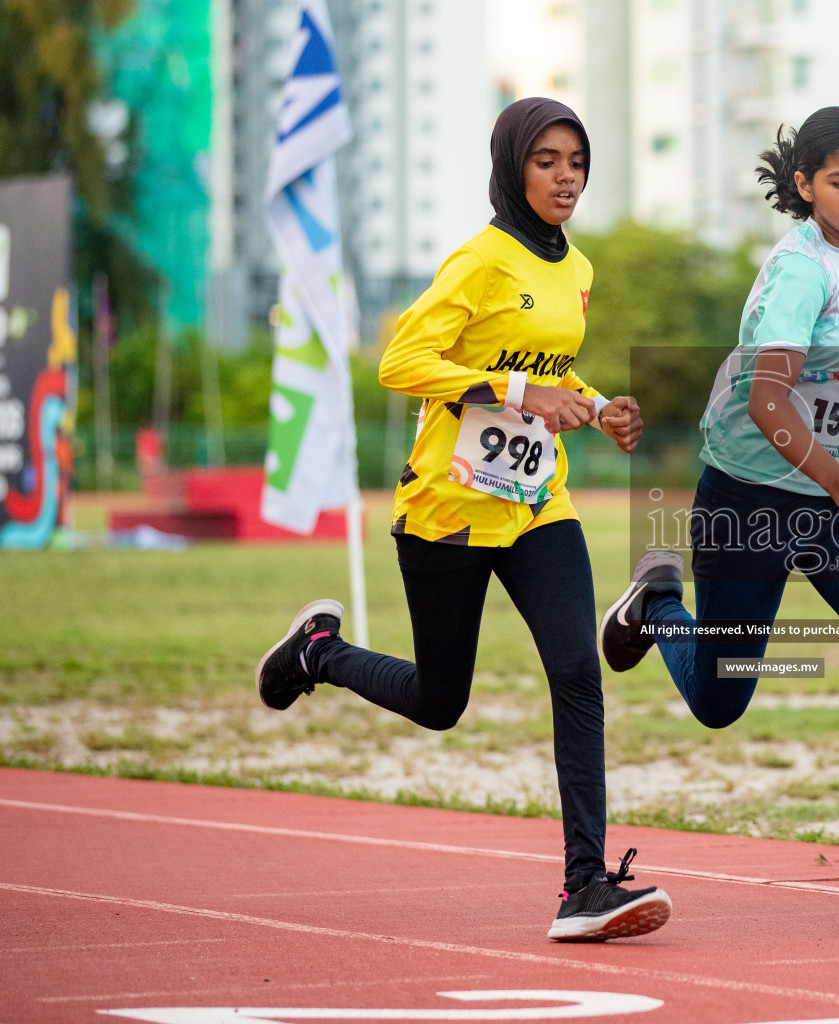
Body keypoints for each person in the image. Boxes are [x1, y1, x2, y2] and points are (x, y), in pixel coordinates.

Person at [254, 98, 671, 943]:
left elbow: (545, 366)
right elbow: (402, 361)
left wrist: (595, 406)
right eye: (547, 161)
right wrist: (524, 393)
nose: (566, 178)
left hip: (535, 506)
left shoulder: (578, 268)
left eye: (578, 162)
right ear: (512, 166)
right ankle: (317, 653)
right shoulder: (479, 259)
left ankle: (586, 885)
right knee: (442, 701)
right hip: (446, 508)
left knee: (576, 673)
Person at [599, 107, 839, 937]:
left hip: (832, 500)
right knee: (719, 702)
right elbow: (766, 395)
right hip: (750, 498)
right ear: (806, 185)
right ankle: (657, 609)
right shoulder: (798, 272)